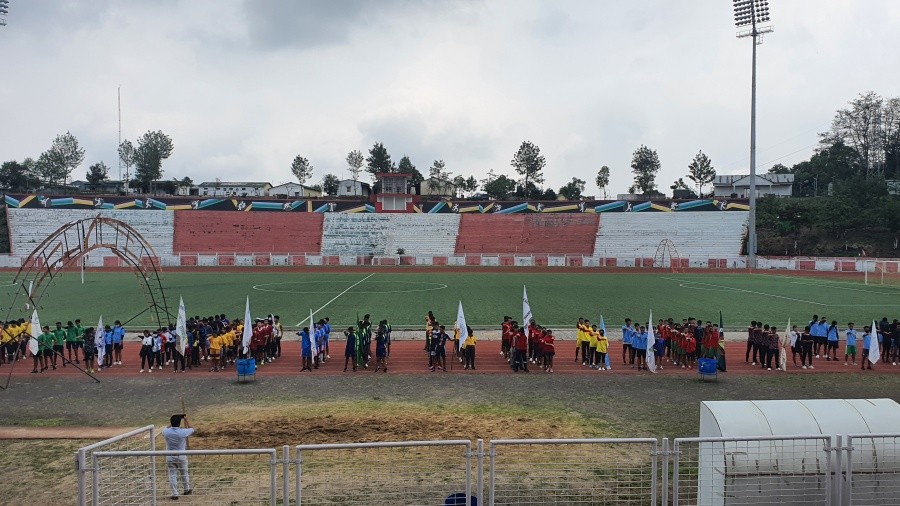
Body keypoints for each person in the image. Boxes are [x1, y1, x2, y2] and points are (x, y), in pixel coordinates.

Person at [162, 414, 194, 500]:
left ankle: (175, 493)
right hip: (181, 456)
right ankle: (186, 489)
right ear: (179, 423)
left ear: (171, 422)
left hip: (170, 456)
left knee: (172, 475)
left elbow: (167, 428)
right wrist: (186, 420)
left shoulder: (166, 431)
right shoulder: (182, 432)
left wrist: (173, 420)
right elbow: (192, 429)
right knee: (184, 473)